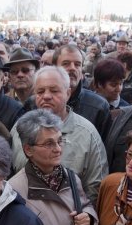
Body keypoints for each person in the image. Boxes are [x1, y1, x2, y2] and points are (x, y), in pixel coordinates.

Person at [10, 66, 108, 204]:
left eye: (54, 91)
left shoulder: (87, 133)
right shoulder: (19, 128)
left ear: (68, 93)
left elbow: (96, 187)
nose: (46, 96)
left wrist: (86, 214)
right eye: (40, 91)